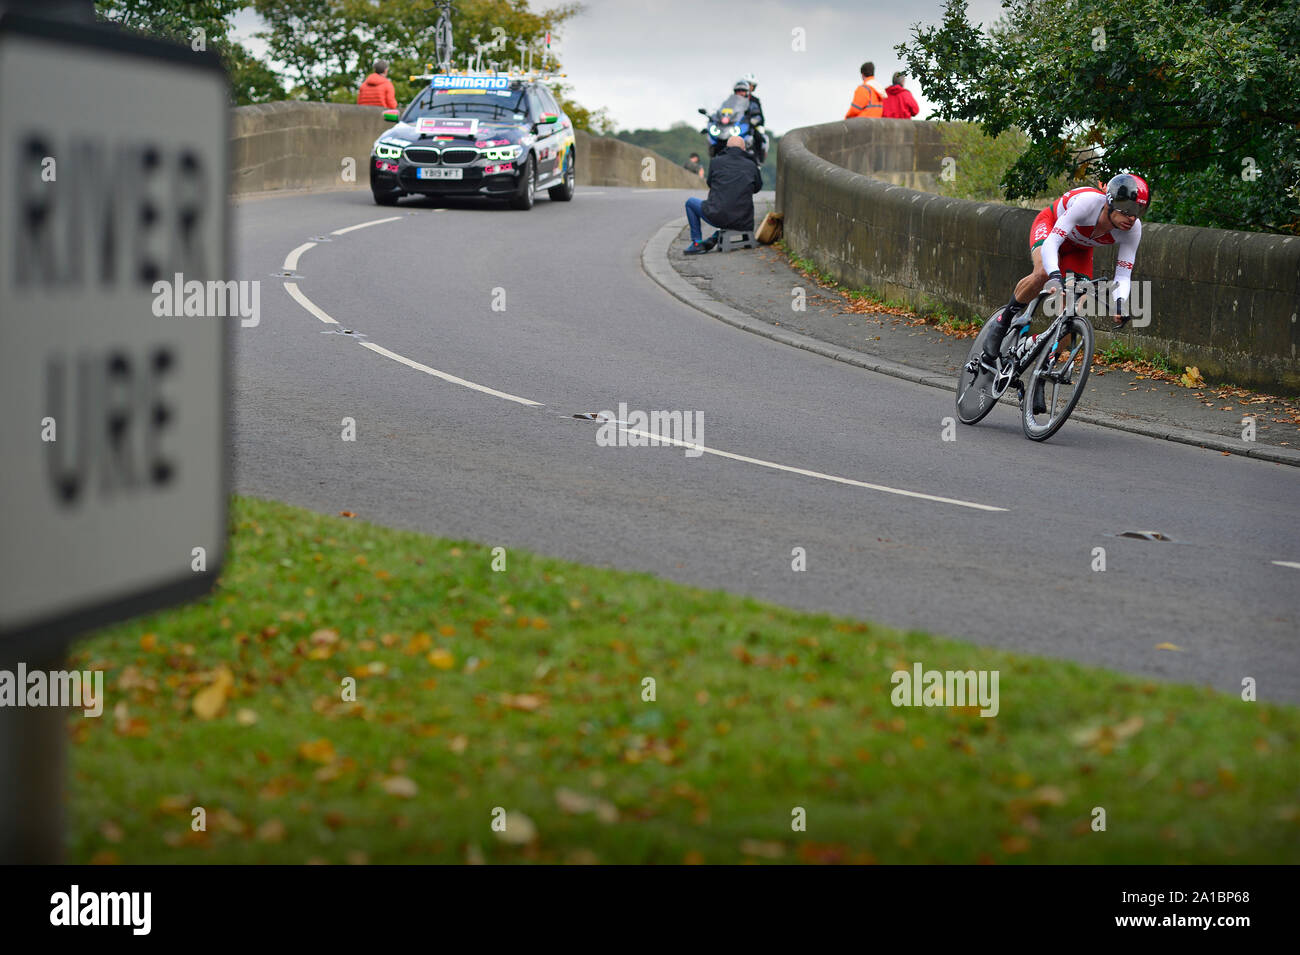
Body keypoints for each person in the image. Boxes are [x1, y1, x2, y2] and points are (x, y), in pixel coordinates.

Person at [981, 174, 1151, 408]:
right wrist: (1055, 276)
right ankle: (1003, 321)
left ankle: (1042, 370)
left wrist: (1120, 303)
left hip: (1080, 250)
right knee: (1041, 274)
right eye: (1126, 210)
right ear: (1110, 202)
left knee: (1073, 312)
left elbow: (1123, 275)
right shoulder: (1087, 203)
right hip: (1051, 227)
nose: (1131, 218)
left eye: (1137, 211)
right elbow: (1052, 243)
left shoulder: (1132, 230)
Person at [682, 136, 763, 255]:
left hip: (717, 216)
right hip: (744, 220)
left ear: (727, 147)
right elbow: (757, 188)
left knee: (690, 203)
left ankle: (697, 243)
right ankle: (716, 235)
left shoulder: (716, 162)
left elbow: (710, 183)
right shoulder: (752, 165)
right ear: (744, 149)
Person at [742, 72, 767, 162]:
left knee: (760, 136)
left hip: (749, 126)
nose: (749, 87)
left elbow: (760, 117)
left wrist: (754, 120)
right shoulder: (734, 99)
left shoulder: (754, 100)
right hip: (736, 125)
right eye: (748, 84)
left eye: (751, 85)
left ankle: (758, 160)